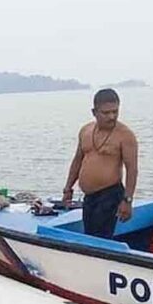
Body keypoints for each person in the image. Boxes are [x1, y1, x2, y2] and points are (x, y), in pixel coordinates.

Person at [62, 89, 138, 238]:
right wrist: (68, 188)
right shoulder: (85, 131)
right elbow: (78, 160)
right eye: (106, 113)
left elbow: (132, 170)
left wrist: (127, 200)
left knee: (99, 237)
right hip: (89, 196)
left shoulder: (125, 135)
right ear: (94, 112)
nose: (112, 116)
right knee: (89, 235)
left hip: (110, 194)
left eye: (115, 111)